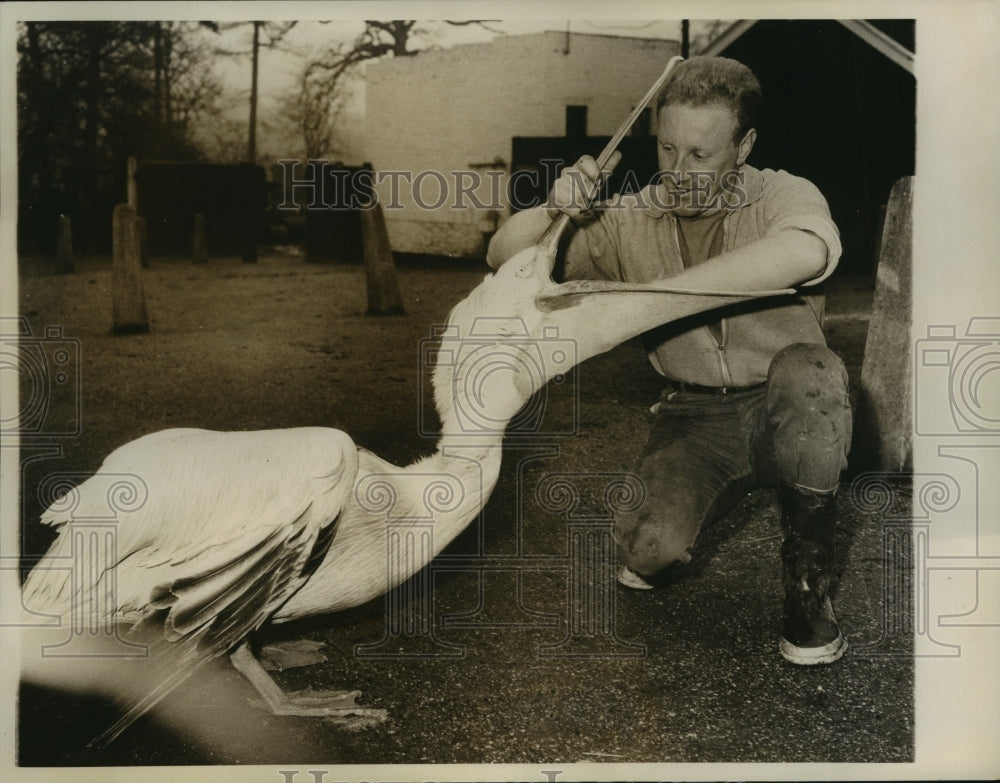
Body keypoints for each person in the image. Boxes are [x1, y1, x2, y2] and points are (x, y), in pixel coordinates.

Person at [486, 56, 852, 665]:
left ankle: (808, 594)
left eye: (700, 155)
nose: (679, 173)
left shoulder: (782, 192)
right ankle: (719, 491)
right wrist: (552, 212)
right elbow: (503, 256)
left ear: (744, 145)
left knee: (811, 371)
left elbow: (806, 249)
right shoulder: (632, 217)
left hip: (783, 402)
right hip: (693, 415)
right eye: (667, 149)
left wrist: (658, 298)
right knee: (643, 549)